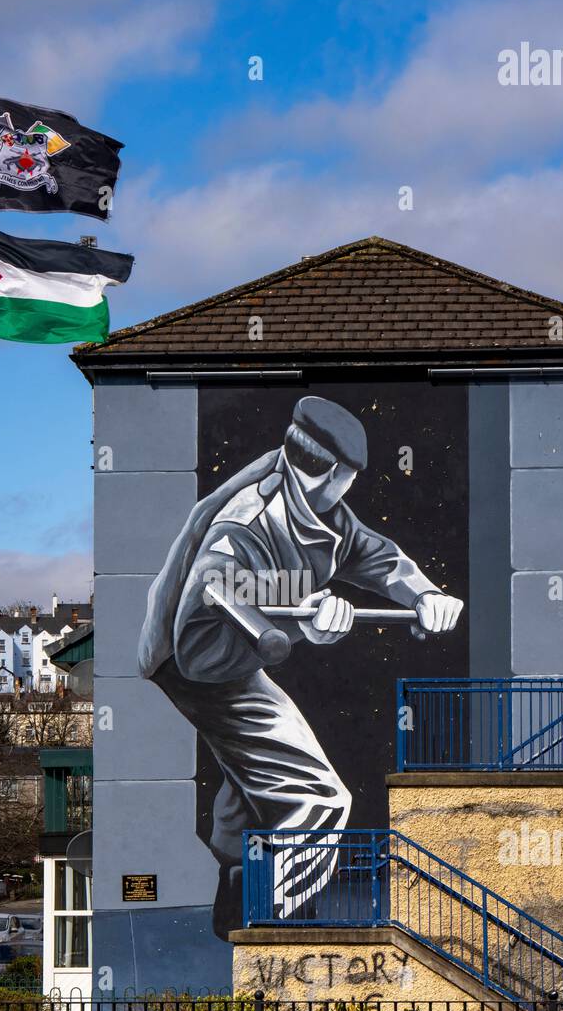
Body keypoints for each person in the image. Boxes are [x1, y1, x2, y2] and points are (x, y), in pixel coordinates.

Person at [140, 395, 463, 934]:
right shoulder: (243, 525)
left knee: (257, 776)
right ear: (331, 473)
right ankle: (276, 923)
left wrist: (424, 595)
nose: (352, 490)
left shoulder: (320, 510)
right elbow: (212, 610)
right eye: (350, 478)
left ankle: (238, 884)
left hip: (234, 658)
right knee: (320, 798)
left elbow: (377, 558)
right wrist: (299, 625)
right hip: (197, 660)